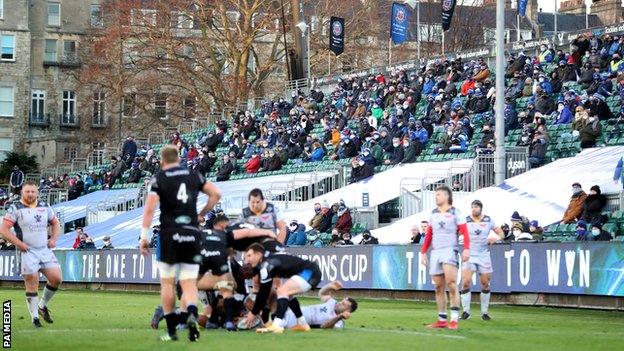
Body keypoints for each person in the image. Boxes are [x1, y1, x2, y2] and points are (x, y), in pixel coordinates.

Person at [139, 145, 222, 342]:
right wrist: (201, 214)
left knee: (167, 283)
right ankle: (191, 316)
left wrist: (144, 236)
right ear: (179, 158)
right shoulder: (194, 175)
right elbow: (216, 194)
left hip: (169, 233)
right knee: (189, 281)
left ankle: (172, 331)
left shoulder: (158, 179)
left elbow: (150, 210)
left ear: (162, 160)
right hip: (192, 234)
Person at [0, 181, 62, 328]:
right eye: (27, 191)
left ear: (37, 193)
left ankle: (42, 306)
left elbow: (55, 223)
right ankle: (35, 319)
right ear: (22, 192)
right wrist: (19, 243)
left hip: (44, 250)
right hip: (27, 251)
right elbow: (4, 229)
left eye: (33, 192)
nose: (30, 194)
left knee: (56, 278)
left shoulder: (45, 206)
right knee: (32, 281)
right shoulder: (15, 208)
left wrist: (53, 239)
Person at [241, 243, 322, 334]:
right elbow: (265, 291)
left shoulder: (266, 265)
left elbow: (263, 293)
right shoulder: (267, 260)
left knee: (282, 291)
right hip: (309, 271)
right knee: (288, 294)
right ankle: (303, 324)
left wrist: (253, 313)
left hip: (309, 272)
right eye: (246, 257)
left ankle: (277, 325)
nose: (247, 259)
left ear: (259, 254)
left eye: (249, 255)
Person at [420, 186, 470, 330]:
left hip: (449, 251)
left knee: (452, 284)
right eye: (436, 195)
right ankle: (442, 319)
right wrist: (423, 252)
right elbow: (429, 234)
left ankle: (454, 319)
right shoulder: (433, 213)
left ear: (447, 197)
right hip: (435, 252)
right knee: (438, 287)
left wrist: (467, 249)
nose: (436, 197)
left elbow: (465, 233)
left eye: (439, 195)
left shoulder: (456, 213)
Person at [460, 200, 504, 321]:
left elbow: (500, 232)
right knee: (465, 282)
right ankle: (466, 312)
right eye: (472, 207)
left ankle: (484, 312)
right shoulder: (466, 220)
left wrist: (497, 238)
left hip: (483, 255)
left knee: (485, 283)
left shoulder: (488, 220)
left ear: (480, 208)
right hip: (469, 254)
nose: (473, 209)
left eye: (475, 207)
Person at [281, 281, 357, 329]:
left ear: (348, 311)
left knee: (275, 325)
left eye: (343, 304)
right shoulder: (332, 303)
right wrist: (329, 286)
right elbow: (322, 293)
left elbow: (325, 326)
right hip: (293, 312)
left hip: (296, 322)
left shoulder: (339, 323)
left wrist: (339, 317)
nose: (340, 303)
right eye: (341, 301)